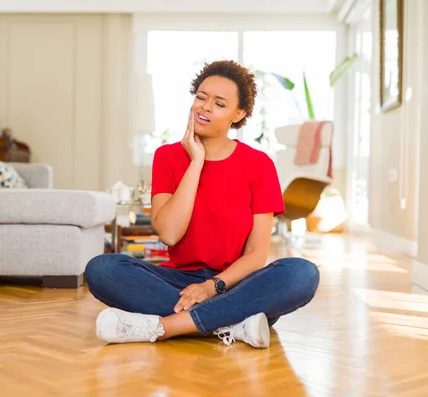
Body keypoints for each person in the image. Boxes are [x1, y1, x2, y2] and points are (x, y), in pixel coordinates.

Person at [85, 60, 319, 349]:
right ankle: (236, 323)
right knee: (102, 269)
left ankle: (165, 326)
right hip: (177, 282)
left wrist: (212, 287)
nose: (205, 107)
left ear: (238, 114)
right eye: (201, 97)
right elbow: (169, 234)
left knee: (302, 274)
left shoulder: (259, 165)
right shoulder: (168, 157)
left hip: (234, 283)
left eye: (219, 103)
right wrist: (196, 162)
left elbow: (257, 254)